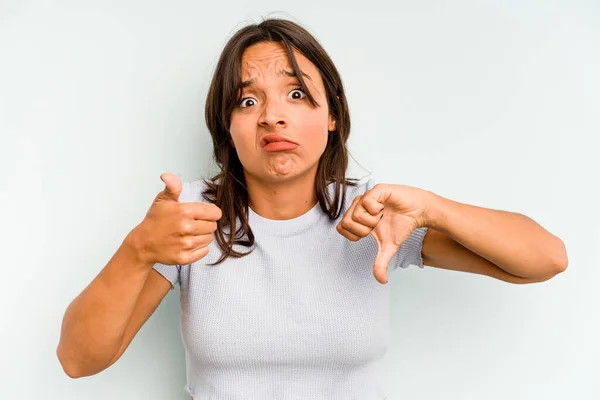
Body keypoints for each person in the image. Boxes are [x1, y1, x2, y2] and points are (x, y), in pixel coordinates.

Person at [56, 18, 568, 399]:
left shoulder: (375, 216)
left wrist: (434, 208)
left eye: (297, 94)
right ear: (227, 128)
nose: (272, 117)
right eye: (248, 101)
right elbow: (79, 360)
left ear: (331, 117)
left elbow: (545, 260)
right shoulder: (193, 217)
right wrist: (138, 249)